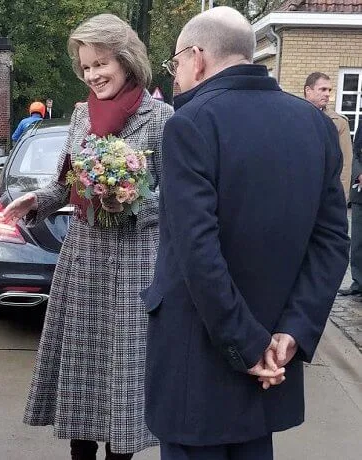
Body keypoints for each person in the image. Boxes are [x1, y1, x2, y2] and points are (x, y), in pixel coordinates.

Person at [142, 7, 349, 460]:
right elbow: (332, 241)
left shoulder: (191, 124)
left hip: (198, 368)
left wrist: (249, 346)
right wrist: (292, 331)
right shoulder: (313, 124)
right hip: (275, 361)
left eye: (174, 63)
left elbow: (197, 251)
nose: (174, 78)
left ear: (197, 57)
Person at [4, 13, 174, 459]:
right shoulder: (81, 116)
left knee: (124, 374)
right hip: (84, 258)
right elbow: (66, 182)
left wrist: (134, 203)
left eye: (102, 63)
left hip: (136, 260)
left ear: (127, 59)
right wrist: (36, 200)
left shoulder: (162, 118)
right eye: (86, 67)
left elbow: (178, 197)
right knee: (81, 374)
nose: (93, 75)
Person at [304, 72, 353, 202]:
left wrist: (341, 197)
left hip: (325, 192)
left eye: (329, 90)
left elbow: (345, 163)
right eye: (323, 89)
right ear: (308, 90)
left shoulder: (339, 122)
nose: (327, 94)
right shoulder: (291, 116)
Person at [340, 121, 362, 296]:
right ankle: (358, 281)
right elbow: (354, 153)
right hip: (360, 191)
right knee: (358, 240)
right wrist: (359, 173)